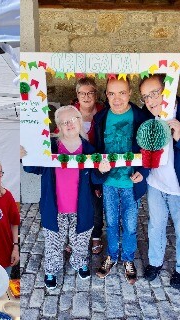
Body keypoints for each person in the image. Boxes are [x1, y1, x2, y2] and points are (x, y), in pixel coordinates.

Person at [21, 105, 95, 290]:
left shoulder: (89, 150)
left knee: (81, 239)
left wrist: (101, 169)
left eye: (72, 120)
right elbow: (32, 168)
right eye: (64, 122)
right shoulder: (51, 148)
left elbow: (97, 178)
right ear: (58, 127)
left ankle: (80, 263)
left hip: (81, 207)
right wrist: (25, 156)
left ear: (80, 121)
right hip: (55, 208)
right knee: (53, 241)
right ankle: (52, 270)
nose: (69, 124)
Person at [93, 78, 149, 285]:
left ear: (130, 92)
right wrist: (97, 178)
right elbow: (96, 150)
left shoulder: (141, 118)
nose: (117, 99)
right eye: (111, 94)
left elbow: (151, 149)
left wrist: (143, 171)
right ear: (106, 95)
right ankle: (111, 255)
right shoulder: (101, 118)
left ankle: (127, 258)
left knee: (130, 224)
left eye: (122, 93)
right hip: (109, 182)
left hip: (130, 183)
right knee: (112, 222)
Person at [139, 74, 180, 289]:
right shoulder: (148, 118)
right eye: (146, 97)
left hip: (177, 188)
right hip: (156, 183)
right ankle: (155, 262)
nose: (151, 100)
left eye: (155, 93)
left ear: (168, 90)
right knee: (156, 225)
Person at [74, 77, 105, 255]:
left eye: (90, 92)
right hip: (76, 167)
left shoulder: (104, 112)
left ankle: (96, 235)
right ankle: (78, 234)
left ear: (96, 94)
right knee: (77, 201)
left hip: (97, 165)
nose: (86, 96)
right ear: (77, 94)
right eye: (82, 93)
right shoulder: (70, 112)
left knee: (96, 201)